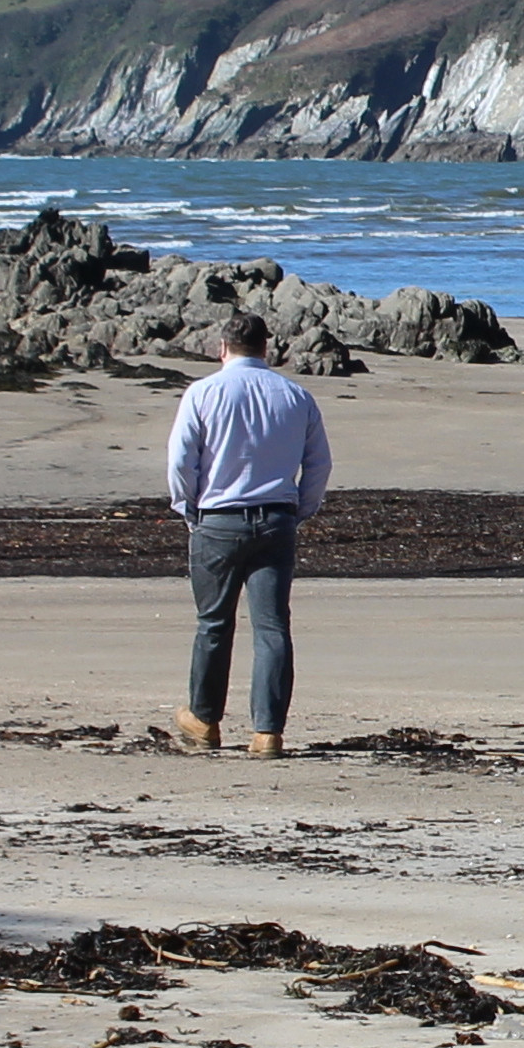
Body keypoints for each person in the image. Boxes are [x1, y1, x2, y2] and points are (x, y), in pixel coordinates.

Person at [164, 309, 331, 754]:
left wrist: (188, 508)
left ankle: (204, 717)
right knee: (272, 627)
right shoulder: (295, 396)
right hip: (275, 516)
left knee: (214, 624)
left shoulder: (203, 393)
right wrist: (300, 509)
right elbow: (318, 464)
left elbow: (182, 459)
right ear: (266, 348)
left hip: (218, 517)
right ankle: (268, 730)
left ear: (222, 348)